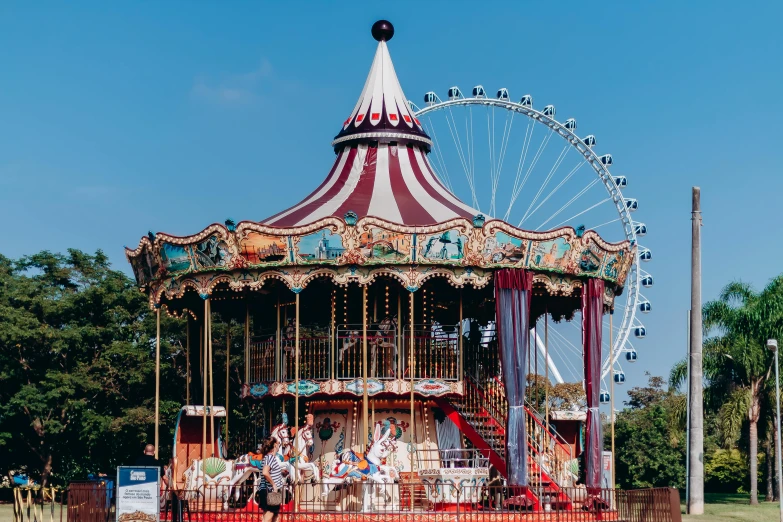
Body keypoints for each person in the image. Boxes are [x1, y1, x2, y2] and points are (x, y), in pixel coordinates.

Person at [259, 437, 285, 522]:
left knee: (275, 515)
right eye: (278, 444)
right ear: (274, 445)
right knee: (269, 515)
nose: (279, 446)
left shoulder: (268, 458)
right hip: (270, 490)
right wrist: (274, 484)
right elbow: (265, 472)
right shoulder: (270, 457)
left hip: (271, 490)